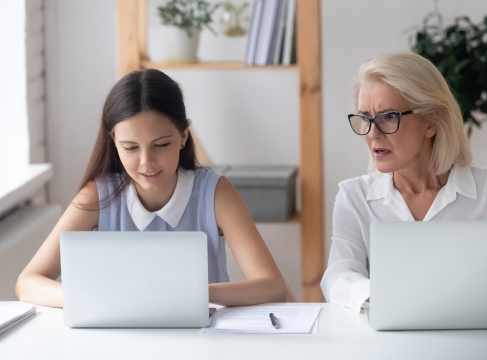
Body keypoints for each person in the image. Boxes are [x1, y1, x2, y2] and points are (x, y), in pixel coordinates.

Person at [15, 69, 286, 308]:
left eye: (161, 145)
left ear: (183, 137)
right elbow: (27, 283)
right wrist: (93, 298)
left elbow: (272, 286)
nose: (147, 163)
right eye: (131, 148)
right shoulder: (98, 195)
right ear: (114, 143)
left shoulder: (214, 193)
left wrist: (194, 295)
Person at [321, 52, 487, 312]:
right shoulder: (353, 197)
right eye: (365, 118)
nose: (373, 133)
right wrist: (389, 294)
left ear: (431, 121)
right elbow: (338, 277)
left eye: (388, 117)